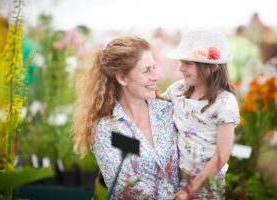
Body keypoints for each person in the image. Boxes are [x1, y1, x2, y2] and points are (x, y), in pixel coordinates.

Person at [72, 36, 179, 199]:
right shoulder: (106, 130)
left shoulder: (168, 111)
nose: (156, 76)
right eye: (146, 70)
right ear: (122, 78)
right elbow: (127, 189)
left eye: (154, 67)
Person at [165, 30, 240, 199]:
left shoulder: (224, 102)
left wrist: (190, 190)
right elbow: (154, 106)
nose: (180, 67)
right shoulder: (178, 90)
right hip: (175, 176)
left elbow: (221, 155)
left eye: (188, 63)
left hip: (207, 183)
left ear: (212, 67)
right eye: (181, 61)